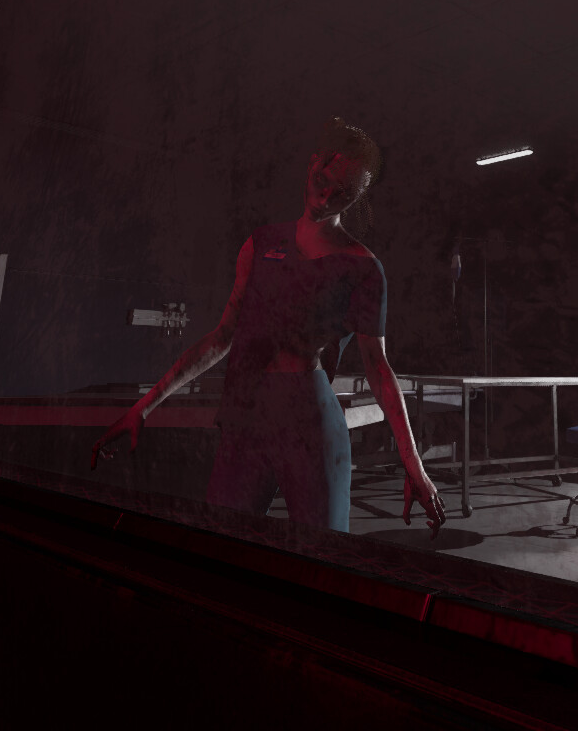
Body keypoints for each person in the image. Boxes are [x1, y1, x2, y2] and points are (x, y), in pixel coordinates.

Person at [92, 118, 446, 537]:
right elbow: (222, 336)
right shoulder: (260, 244)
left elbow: (378, 367)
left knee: (321, 555)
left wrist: (414, 465)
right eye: (322, 180)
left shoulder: (363, 268)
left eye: (343, 192)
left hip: (310, 423)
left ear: (357, 198)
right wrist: (143, 408)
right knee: (225, 545)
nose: (326, 196)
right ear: (312, 164)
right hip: (247, 419)